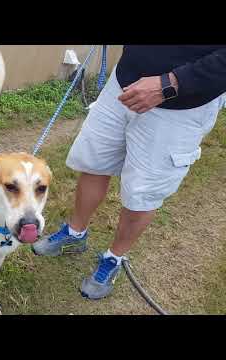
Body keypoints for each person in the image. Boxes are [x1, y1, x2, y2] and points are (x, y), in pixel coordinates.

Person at [32, 45, 226, 300]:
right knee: (93, 163)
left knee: (143, 193)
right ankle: (75, 234)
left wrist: (170, 83)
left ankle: (114, 257)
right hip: (124, 80)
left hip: (182, 105)